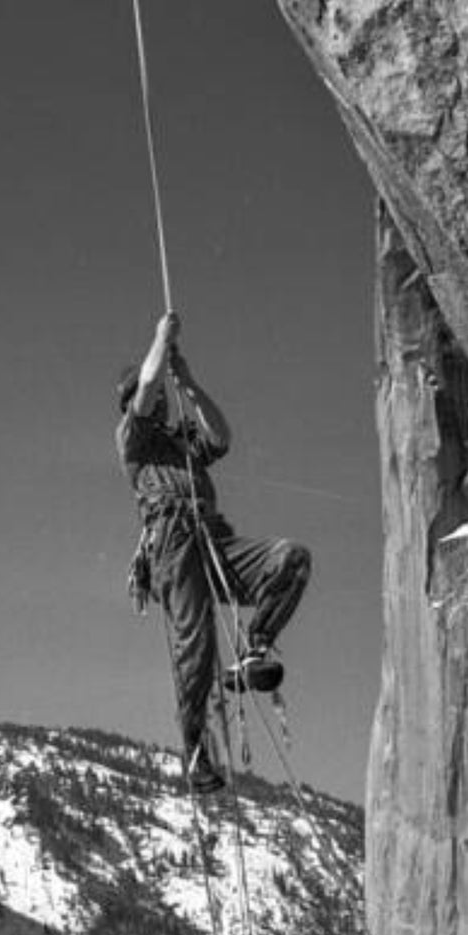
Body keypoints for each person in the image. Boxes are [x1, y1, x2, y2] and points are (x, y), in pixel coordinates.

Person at [117, 311, 311, 796]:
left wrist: (191, 385)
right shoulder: (134, 439)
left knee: (290, 558)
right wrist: (162, 339)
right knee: (195, 647)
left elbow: (221, 437)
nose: (160, 401)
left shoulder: (183, 445)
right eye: (156, 397)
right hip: (173, 543)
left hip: (212, 538)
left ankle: (256, 646)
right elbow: (144, 384)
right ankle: (198, 749)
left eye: (164, 398)